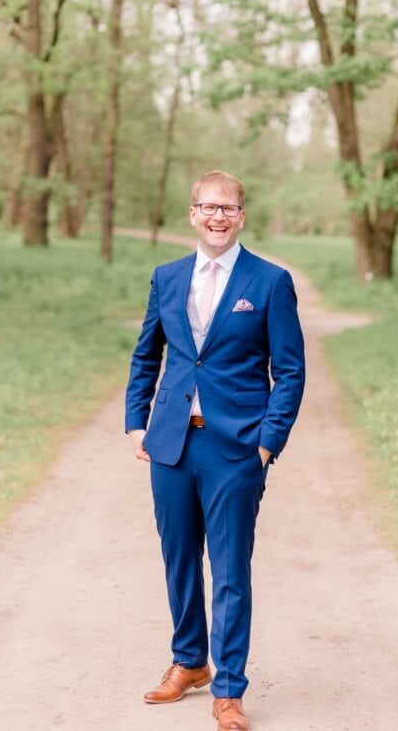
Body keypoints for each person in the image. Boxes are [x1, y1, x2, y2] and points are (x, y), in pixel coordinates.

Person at [124, 171, 305, 731]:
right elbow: (146, 355)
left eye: (227, 208)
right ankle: (189, 662)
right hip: (172, 443)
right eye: (207, 207)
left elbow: (290, 371)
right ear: (193, 213)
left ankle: (229, 688)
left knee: (229, 570)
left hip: (237, 448)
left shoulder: (270, 282)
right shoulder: (167, 277)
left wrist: (267, 444)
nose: (217, 216)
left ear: (241, 216)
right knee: (178, 560)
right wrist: (136, 422)